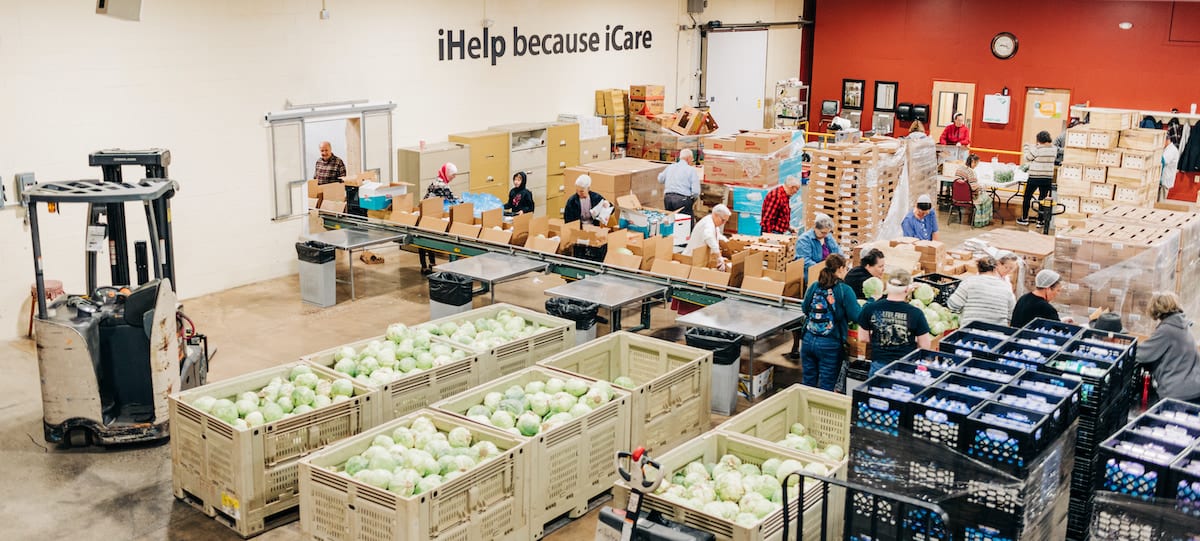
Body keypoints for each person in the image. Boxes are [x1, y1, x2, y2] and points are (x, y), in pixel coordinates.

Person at [797, 254, 863, 391]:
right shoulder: (844, 290)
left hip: (808, 339)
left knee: (808, 382)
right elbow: (856, 316)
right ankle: (820, 412)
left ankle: (804, 410)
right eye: (846, 269)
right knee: (827, 384)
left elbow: (805, 308)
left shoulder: (815, 286)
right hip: (830, 342)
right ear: (840, 269)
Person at [858, 269, 932, 376]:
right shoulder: (916, 313)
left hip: (879, 365)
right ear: (907, 289)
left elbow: (863, 337)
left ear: (887, 287)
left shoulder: (871, 308)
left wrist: (878, 339)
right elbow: (925, 345)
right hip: (905, 367)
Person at [1137, 292, 1200, 405]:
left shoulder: (1167, 330)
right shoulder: (1182, 326)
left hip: (1178, 393)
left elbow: (1141, 354)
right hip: (1193, 389)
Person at [946, 256, 1016, 326]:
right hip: (998, 333)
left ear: (978, 269)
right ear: (995, 269)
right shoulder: (1006, 287)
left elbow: (953, 305)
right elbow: (1011, 315)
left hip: (970, 331)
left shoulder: (969, 282)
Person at [419, 163, 458, 274]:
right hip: (431, 214)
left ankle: (427, 265)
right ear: (447, 173)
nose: (454, 178)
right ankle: (429, 264)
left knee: (424, 240)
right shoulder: (442, 185)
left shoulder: (435, 181)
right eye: (453, 175)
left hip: (426, 212)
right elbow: (452, 200)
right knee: (426, 240)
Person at [1018, 130, 1057, 226]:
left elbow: (1027, 158)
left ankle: (1024, 218)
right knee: (1043, 198)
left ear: (1039, 139)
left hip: (1035, 177)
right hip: (1047, 177)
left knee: (1027, 197)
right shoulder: (1054, 149)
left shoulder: (1037, 149)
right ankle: (1040, 220)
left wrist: (1026, 147)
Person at [794, 214, 843, 281]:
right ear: (815, 227)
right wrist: (825, 269)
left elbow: (837, 251)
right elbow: (804, 261)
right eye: (822, 232)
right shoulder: (804, 240)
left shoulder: (828, 237)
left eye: (827, 233)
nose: (825, 235)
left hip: (829, 273)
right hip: (813, 275)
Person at [683, 204, 730, 270]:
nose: (723, 223)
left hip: (700, 260)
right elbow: (709, 237)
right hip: (691, 260)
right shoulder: (707, 223)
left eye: (726, 221)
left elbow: (718, 236)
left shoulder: (714, 224)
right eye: (723, 220)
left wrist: (729, 242)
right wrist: (719, 257)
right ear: (715, 215)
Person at [658, 148, 701, 218]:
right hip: (682, 200)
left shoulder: (670, 167)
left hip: (668, 198)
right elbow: (696, 192)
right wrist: (691, 200)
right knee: (685, 224)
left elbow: (660, 179)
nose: (692, 162)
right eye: (692, 160)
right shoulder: (691, 170)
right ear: (688, 158)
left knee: (670, 222)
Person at [954, 154, 993, 227]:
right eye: (976, 163)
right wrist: (982, 187)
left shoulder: (959, 169)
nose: (976, 166)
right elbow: (973, 188)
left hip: (957, 198)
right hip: (969, 198)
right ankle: (981, 221)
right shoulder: (971, 172)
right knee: (988, 198)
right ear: (973, 162)